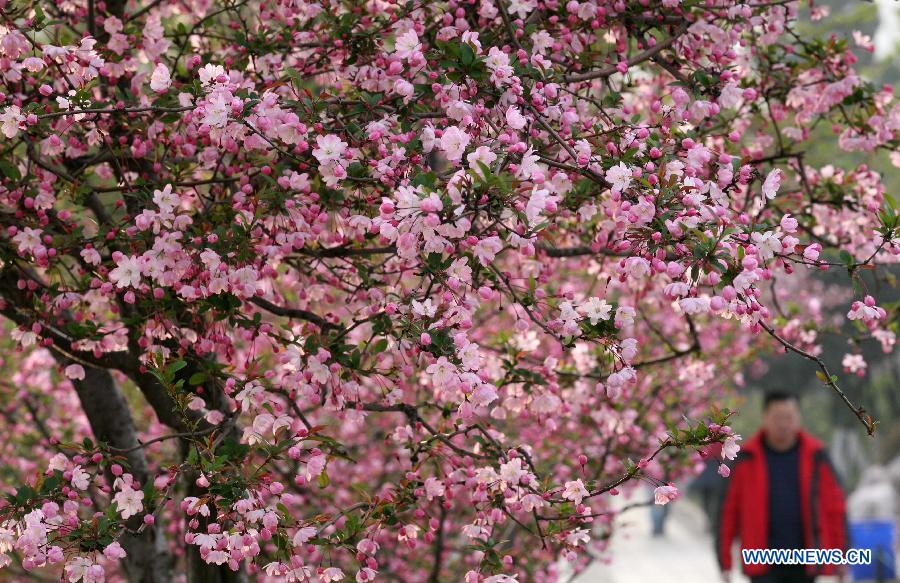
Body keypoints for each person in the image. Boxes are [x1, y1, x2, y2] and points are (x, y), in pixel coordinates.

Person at [715, 391, 848, 583]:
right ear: (765, 417)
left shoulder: (816, 455)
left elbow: (835, 507)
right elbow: (728, 512)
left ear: (798, 418)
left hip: (806, 560)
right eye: (777, 417)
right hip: (762, 561)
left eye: (789, 417)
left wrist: (841, 556)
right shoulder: (745, 459)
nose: (784, 424)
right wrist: (724, 563)